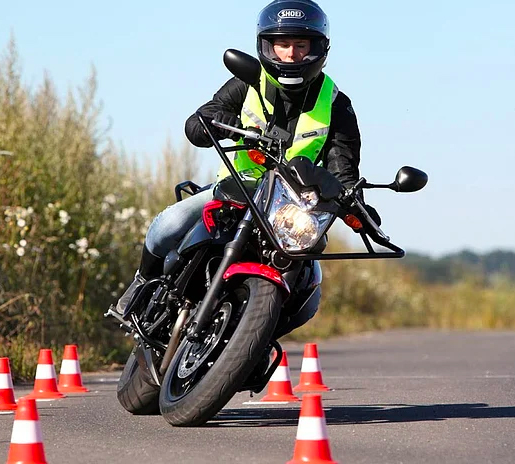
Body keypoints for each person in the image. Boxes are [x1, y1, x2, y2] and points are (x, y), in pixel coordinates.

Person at [112, 0, 364, 329]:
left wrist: (354, 203)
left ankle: (256, 335)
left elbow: (344, 168)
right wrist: (222, 123)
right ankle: (140, 283)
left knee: (307, 275)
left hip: (290, 208)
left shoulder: (336, 104)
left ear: (318, 48)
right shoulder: (248, 82)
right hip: (236, 188)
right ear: (266, 46)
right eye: (282, 44)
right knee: (170, 223)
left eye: (301, 45)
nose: (291, 54)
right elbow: (198, 122)